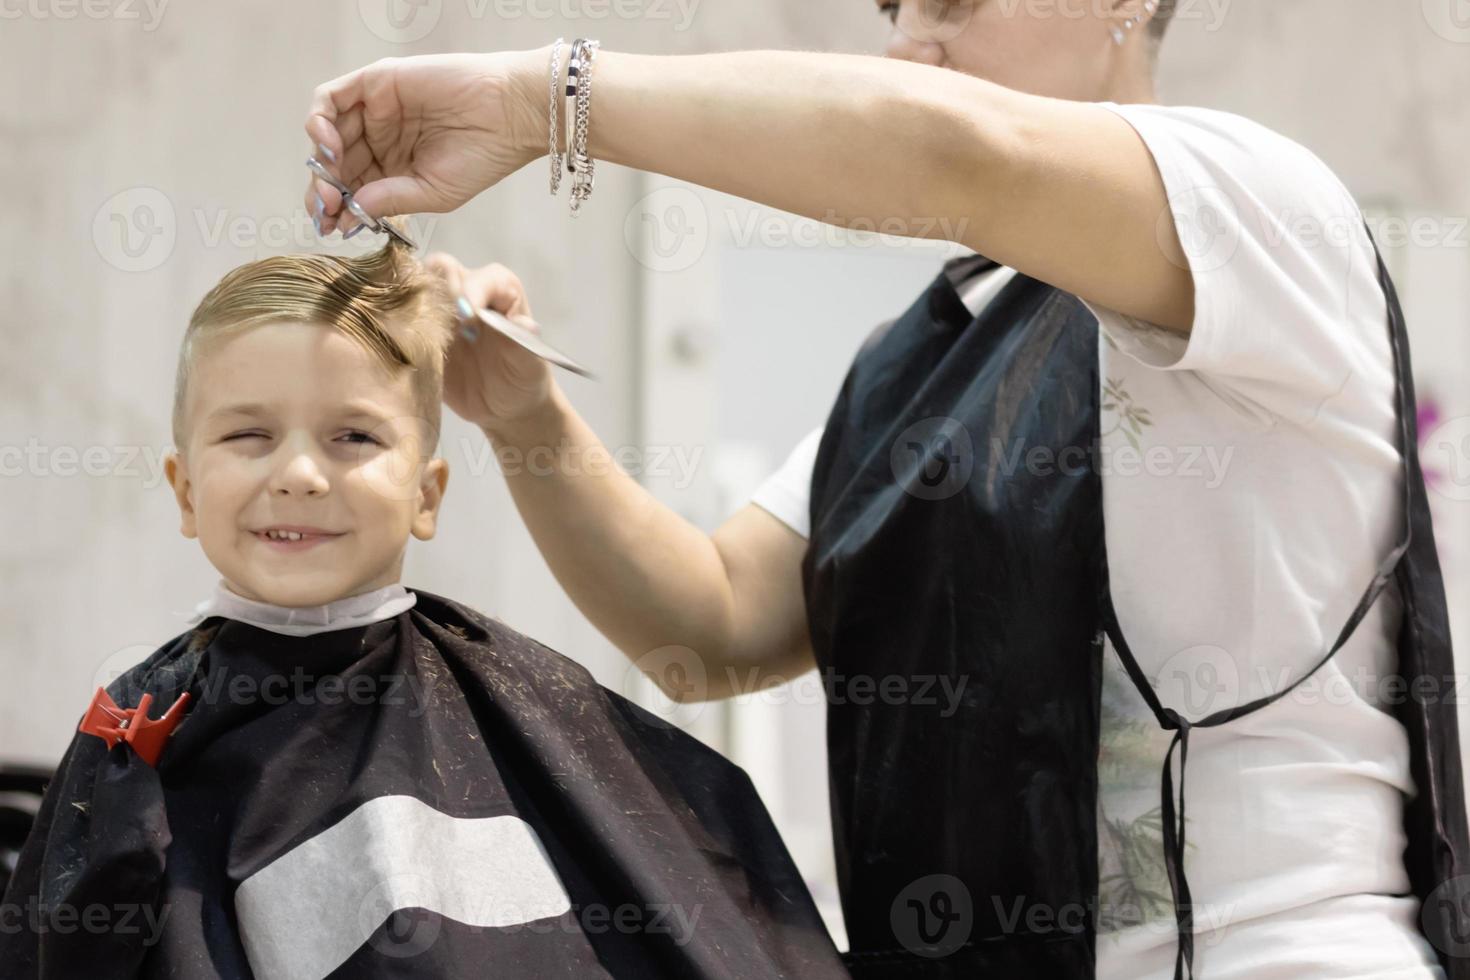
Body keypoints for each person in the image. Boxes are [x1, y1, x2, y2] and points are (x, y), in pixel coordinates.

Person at [301, 3, 1470, 978]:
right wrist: (526, 418)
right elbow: (707, 621)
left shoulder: (1261, 204)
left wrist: (541, 97)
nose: (910, 38)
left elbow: (960, 154)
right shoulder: (922, 366)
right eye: (892, 8)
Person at [0, 241, 848, 979]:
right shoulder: (138, 732)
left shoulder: (527, 706)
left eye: (354, 437)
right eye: (249, 435)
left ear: (426, 494)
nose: (298, 472)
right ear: (185, 491)